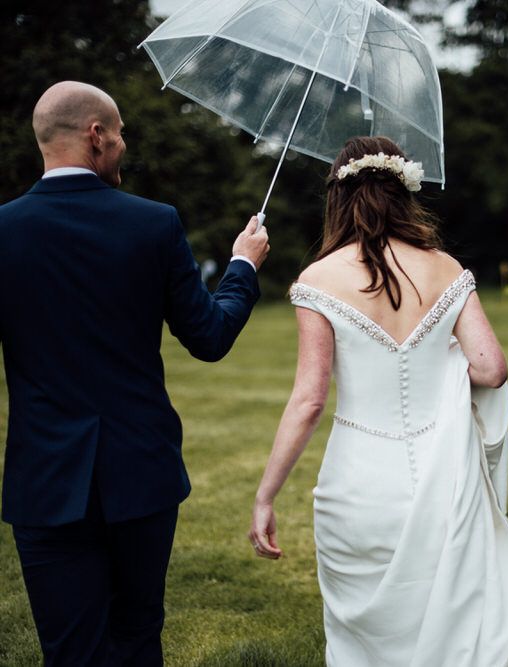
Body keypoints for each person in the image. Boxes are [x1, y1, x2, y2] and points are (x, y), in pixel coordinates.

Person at [0, 81, 269, 666]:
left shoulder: (4, 230)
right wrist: (243, 267)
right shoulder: (155, 224)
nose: (123, 145)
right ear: (96, 135)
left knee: (69, 651)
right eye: (120, 133)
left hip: (44, 478)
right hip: (140, 472)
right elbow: (208, 337)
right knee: (140, 635)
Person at [249, 136, 508, 666]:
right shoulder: (446, 268)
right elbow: (491, 369)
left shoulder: (319, 279)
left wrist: (266, 496)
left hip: (358, 484)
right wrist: (448, 360)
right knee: (440, 621)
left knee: (364, 641)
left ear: (338, 197)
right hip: (443, 478)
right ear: (404, 193)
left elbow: (309, 401)